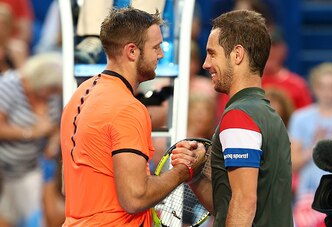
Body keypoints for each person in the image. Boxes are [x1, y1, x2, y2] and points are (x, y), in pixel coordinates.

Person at [60, 7, 205, 226]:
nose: (161, 54)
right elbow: (135, 198)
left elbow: (67, 186)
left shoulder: (79, 97)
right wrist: (184, 171)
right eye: (155, 47)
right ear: (132, 52)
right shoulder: (127, 108)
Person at [172, 10, 293, 226]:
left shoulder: (239, 117)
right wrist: (196, 175)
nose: (205, 64)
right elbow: (226, 208)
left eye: (212, 53)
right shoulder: (268, 115)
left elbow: (244, 204)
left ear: (237, 55)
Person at [0, 52, 63, 227]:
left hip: (38, 165)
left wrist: (53, 140)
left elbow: (55, 126)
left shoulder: (51, 94)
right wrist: (31, 132)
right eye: (51, 89)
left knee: (18, 214)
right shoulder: (8, 85)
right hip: (10, 168)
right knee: (20, 215)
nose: (52, 94)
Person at [289, 62, 332, 227]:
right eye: (323, 87)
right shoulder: (300, 118)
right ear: (314, 88)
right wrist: (316, 147)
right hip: (309, 196)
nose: (328, 93)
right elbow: (293, 163)